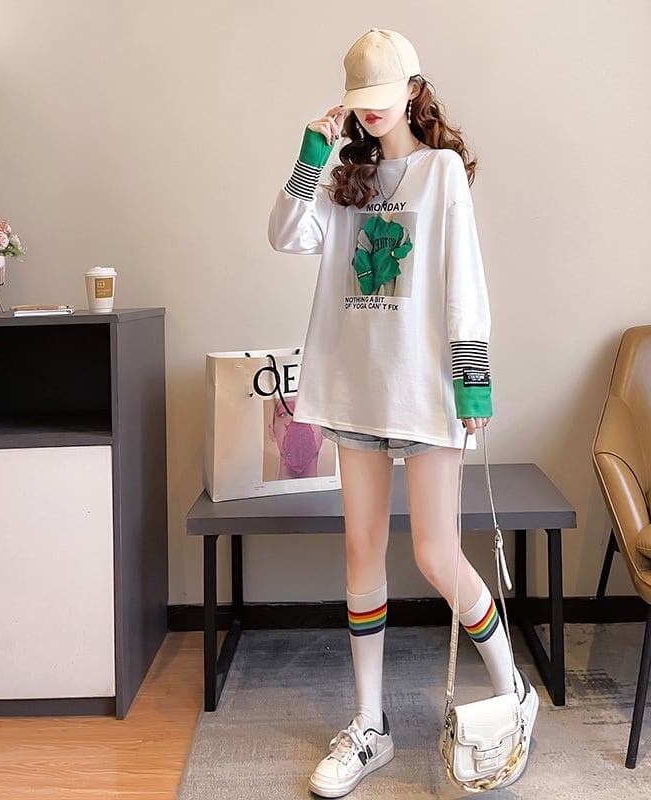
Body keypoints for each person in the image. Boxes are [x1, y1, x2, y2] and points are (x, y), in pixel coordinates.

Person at [267, 27, 539, 798]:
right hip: (356, 385)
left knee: (434, 552)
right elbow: (285, 236)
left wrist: (473, 382)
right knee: (360, 551)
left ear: (414, 91)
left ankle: (513, 690)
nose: (373, 112)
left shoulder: (441, 171)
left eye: (385, 98)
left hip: (423, 387)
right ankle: (370, 725)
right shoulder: (342, 180)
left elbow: (465, 277)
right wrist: (311, 153)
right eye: (361, 101)